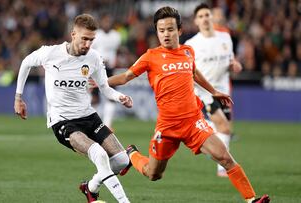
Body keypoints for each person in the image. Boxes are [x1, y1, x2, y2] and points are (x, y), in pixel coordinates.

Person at [107, 6, 270, 203]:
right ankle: (132, 154)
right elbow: (125, 77)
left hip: (194, 122)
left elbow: (194, 73)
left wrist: (213, 91)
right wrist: (100, 82)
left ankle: (252, 199)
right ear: (157, 32)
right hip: (167, 127)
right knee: (153, 173)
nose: (165, 34)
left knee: (225, 157)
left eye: (170, 29)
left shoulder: (188, 51)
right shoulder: (150, 56)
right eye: (161, 31)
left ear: (180, 30)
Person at [14, 14, 132, 203]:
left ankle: (90, 188)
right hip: (63, 121)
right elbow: (26, 63)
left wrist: (120, 97)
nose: (87, 44)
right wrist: (18, 97)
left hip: (88, 116)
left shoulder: (93, 58)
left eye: (91, 40)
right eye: (84, 39)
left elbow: (105, 89)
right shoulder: (50, 53)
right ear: (73, 34)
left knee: (122, 161)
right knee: (100, 154)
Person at [185, 3, 243, 177]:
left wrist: (236, 66)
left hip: (223, 91)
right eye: (201, 16)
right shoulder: (191, 44)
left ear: (212, 17)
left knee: (223, 129)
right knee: (224, 128)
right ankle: (223, 168)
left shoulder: (225, 37)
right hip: (204, 93)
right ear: (196, 21)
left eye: (207, 15)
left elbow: (231, 62)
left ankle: (199, 136)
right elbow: (189, 71)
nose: (204, 19)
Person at [91, 13, 122, 129]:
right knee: (95, 97)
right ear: (101, 22)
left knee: (111, 96)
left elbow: (117, 51)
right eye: (105, 21)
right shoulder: (96, 35)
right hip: (97, 69)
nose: (107, 23)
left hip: (110, 69)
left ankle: (108, 125)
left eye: (109, 21)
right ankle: (94, 124)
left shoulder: (116, 36)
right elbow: (90, 52)